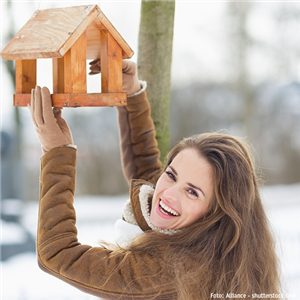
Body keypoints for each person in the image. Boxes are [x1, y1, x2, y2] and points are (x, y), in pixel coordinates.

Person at [29, 60, 282, 300]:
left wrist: (57, 153)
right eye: (171, 174)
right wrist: (132, 96)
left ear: (217, 213)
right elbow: (148, 173)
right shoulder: (213, 246)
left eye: (192, 192)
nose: (169, 194)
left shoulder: (169, 272)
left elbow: (57, 253)